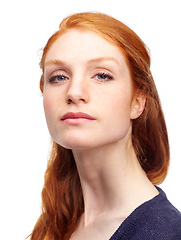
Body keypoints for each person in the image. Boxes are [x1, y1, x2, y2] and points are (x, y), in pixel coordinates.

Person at [29, 12, 181, 240]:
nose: (74, 92)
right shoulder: (60, 219)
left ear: (137, 102)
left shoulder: (165, 233)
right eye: (59, 77)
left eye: (101, 75)